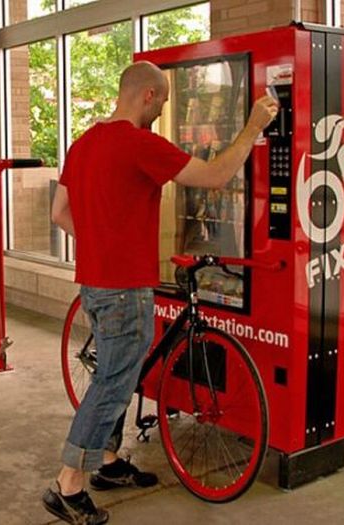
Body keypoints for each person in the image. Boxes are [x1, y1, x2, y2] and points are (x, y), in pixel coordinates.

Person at [43, 61, 278, 525]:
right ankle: (67, 485)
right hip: (124, 291)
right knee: (112, 384)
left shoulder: (84, 143)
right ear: (147, 95)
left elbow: (58, 212)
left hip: (95, 285)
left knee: (117, 374)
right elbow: (215, 176)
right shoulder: (140, 144)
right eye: (165, 100)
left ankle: (107, 461)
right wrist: (254, 126)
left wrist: (101, 246)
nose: (165, 108)